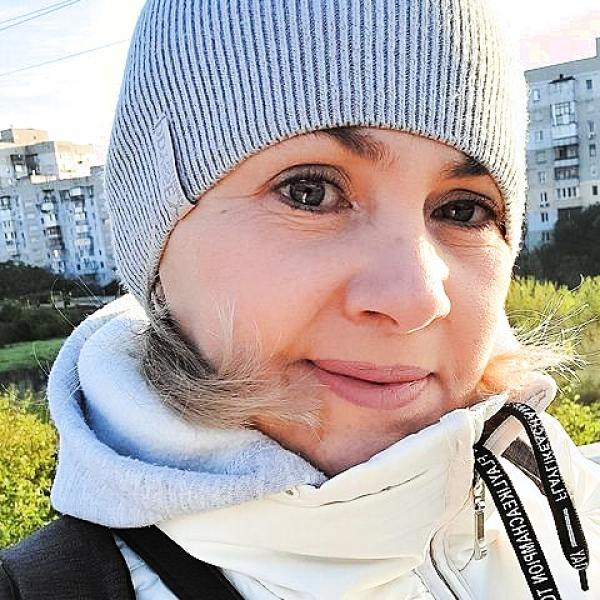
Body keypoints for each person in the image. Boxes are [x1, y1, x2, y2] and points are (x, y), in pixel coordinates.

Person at [1, 0, 600, 598]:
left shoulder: (572, 507)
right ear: (157, 237)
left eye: (462, 210)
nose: (417, 298)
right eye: (309, 192)